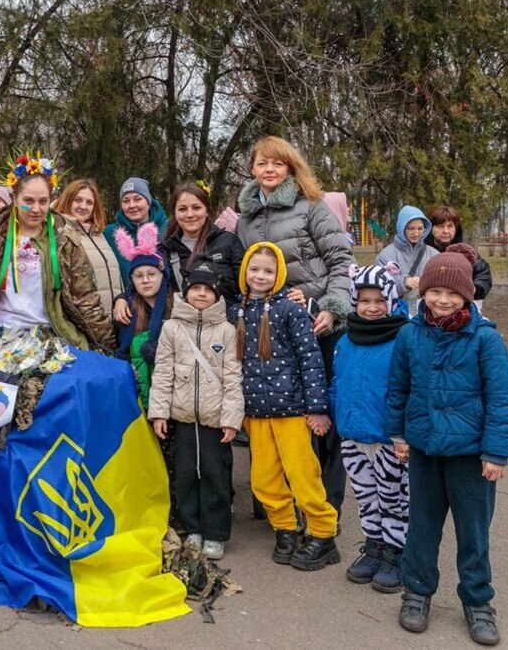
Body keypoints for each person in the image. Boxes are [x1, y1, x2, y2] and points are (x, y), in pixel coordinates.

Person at [387, 244, 508, 646]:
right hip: (423, 450)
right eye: (434, 291)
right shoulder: (409, 335)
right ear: (422, 291)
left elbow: (501, 399)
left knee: (473, 532)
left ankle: (478, 601)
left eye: (452, 292)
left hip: (471, 456)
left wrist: (496, 452)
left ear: (467, 294)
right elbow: (398, 388)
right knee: (422, 527)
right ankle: (417, 593)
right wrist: (398, 434)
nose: (442, 300)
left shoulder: (485, 340)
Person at [234, 135, 354, 515]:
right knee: (279, 413)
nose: (269, 170)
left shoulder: (311, 207)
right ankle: (280, 505)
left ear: (290, 168)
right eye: (262, 164)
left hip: (318, 323)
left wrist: (328, 306)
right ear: (252, 169)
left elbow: (340, 260)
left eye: (277, 164)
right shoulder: (246, 218)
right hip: (274, 331)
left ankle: (325, 502)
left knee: (321, 415)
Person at [231, 242, 339, 571]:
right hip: (256, 413)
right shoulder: (235, 311)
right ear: (244, 271)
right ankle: (286, 529)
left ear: (279, 275)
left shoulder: (290, 310)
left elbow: (310, 360)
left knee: (303, 476)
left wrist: (317, 407)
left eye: (268, 270)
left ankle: (323, 533)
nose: (260, 276)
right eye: (254, 269)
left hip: (292, 410)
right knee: (264, 480)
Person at [0, 168, 114, 350]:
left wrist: (109, 342)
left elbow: (85, 298)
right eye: (28, 201)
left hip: (48, 336)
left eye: (43, 202)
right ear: (14, 199)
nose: (36, 209)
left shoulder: (64, 240)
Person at [148, 261, 243, 560]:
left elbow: (233, 377)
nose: (201, 294)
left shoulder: (227, 330)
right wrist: (159, 412)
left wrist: (231, 418)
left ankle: (215, 533)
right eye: (195, 289)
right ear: (186, 293)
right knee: (187, 476)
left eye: (207, 289)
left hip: (215, 419)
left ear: (216, 295)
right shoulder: (172, 329)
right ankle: (193, 530)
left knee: (215, 474)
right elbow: (163, 372)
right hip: (184, 416)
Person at [329, 264, 409, 594]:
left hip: (388, 438)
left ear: (390, 300)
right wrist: (335, 415)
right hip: (352, 435)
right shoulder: (346, 340)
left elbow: (408, 389)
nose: (372, 307)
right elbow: (338, 381)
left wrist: (403, 432)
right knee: (365, 497)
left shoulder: (401, 338)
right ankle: (374, 546)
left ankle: (397, 552)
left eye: (379, 300)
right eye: (364, 300)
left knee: (394, 498)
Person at [112, 222, 170, 403]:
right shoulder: (127, 310)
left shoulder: (176, 307)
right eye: (139, 275)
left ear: (163, 275)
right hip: (137, 392)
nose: (145, 280)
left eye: (151, 274)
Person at [158, 182, 244, 304]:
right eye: (182, 209)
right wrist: (122, 299)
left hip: (226, 320)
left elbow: (247, 286)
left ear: (207, 211)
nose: (190, 214)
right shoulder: (167, 250)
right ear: (175, 214)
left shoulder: (229, 242)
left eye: (196, 208)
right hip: (184, 321)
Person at [54, 179, 123, 316]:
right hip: (85, 324)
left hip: (111, 321)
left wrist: (122, 298)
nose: (83, 206)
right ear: (67, 200)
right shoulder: (60, 235)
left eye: (89, 202)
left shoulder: (99, 236)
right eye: (78, 200)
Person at [104, 177, 170, 288]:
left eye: (138, 199)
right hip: (125, 302)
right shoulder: (110, 233)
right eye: (126, 201)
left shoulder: (168, 229)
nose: (132, 205)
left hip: (163, 300)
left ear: (148, 202)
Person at [424, 206, 493, 309]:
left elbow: (483, 274)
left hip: (462, 310)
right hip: (429, 308)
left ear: (456, 228)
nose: (446, 231)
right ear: (430, 228)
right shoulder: (422, 252)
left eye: (450, 226)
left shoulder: (466, 251)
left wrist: (474, 289)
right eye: (440, 226)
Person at [375, 206, 438, 315]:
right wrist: (403, 283)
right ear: (402, 228)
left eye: (420, 228)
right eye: (411, 228)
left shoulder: (434, 254)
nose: (416, 233)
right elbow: (378, 288)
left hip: (428, 315)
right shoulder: (385, 256)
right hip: (396, 315)